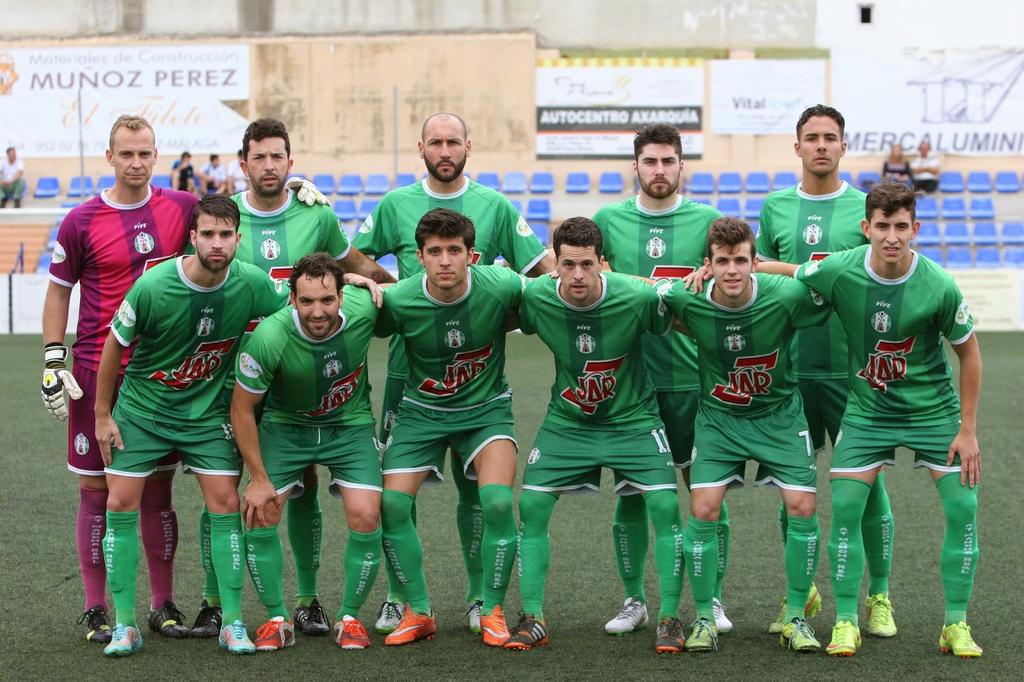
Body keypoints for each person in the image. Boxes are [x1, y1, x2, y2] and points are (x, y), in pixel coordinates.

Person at [189, 116, 394, 641]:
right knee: (225, 490)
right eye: (259, 157)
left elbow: (351, 264)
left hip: (303, 383)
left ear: (291, 162)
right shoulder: (225, 217)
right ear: (244, 163)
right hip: (231, 375)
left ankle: (305, 601)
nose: (269, 166)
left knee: (302, 485)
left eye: (277, 156)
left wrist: (384, 286)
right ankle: (215, 599)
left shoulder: (315, 213)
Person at [352, 112, 553, 635]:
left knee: (480, 494)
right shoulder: (395, 204)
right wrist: (367, 281)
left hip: (480, 388)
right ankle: (401, 597)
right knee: (395, 495)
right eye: (435, 142)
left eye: (453, 141)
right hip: (409, 375)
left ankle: (477, 597)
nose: (445, 150)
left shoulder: (495, 206)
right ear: (421, 147)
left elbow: (542, 276)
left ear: (469, 145)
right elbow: (354, 258)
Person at [93, 194, 289, 657]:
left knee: (224, 503)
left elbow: (303, 307)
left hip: (208, 414)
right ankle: (124, 625)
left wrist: (359, 282)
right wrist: (103, 416)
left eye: (226, 235)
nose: (217, 243)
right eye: (208, 234)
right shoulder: (154, 285)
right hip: (143, 411)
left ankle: (233, 623)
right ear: (193, 238)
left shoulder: (255, 284)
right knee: (120, 502)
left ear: (238, 239)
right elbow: (113, 346)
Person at [794, 182, 983, 658]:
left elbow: (970, 355)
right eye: (883, 227)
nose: (892, 237)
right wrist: (736, 272)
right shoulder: (841, 269)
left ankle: (955, 624)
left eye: (901, 227)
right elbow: (790, 274)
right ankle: (844, 621)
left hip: (933, 413)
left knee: (964, 510)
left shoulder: (939, 284)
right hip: (867, 413)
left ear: (914, 229)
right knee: (846, 512)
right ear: (867, 229)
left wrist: (968, 430)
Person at [42, 114, 197, 644]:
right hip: (93, 373)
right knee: (95, 491)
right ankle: (94, 608)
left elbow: (235, 221)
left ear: (157, 156)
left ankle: (162, 604)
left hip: (161, 375)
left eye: (145, 153)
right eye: (127, 153)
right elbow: (60, 291)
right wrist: (51, 358)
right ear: (109, 157)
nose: (136, 162)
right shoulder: (80, 220)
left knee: (157, 492)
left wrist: (291, 188)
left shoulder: (182, 208)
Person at [505, 217, 685, 654]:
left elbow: (692, 315)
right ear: (555, 266)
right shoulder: (535, 299)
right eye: (568, 265)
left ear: (603, 263)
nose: (578, 275)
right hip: (569, 422)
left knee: (664, 505)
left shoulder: (637, 297)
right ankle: (532, 616)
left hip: (634, 420)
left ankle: (670, 618)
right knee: (530, 504)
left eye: (587, 264)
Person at [756, 104, 896, 638]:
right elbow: (761, 281)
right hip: (786, 370)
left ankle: (878, 596)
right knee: (787, 481)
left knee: (868, 485)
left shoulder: (867, 209)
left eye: (829, 138)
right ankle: (803, 591)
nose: (820, 145)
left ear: (843, 146)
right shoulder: (774, 208)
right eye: (810, 137)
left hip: (853, 372)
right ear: (797, 147)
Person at [662, 217, 829, 654]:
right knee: (702, 509)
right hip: (718, 420)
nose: (732, 270)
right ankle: (703, 618)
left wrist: (781, 269)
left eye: (741, 260)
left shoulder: (787, 296)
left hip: (779, 416)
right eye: (722, 261)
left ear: (755, 262)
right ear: (707, 264)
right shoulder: (688, 296)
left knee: (802, 504)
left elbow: (832, 288)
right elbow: (643, 291)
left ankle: (796, 617)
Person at [592, 123, 732, 635]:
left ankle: (711, 598)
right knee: (631, 494)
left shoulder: (709, 222)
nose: (658, 170)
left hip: (697, 381)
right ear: (635, 166)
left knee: (706, 494)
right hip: (631, 385)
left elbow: (733, 283)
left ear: (680, 165)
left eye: (667, 161)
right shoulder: (607, 220)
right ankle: (634, 599)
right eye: (649, 161)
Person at [375, 208, 524, 647]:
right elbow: (344, 316)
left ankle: (491, 608)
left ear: (472, 255)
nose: (445, 260)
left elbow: (552, 291)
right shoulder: (399, 299)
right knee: (392, 506)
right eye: (434, 251)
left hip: (485, 411)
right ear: (418, 256)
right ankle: (419, 610)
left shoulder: (502, 286)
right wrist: (358, 284)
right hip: (422, 413)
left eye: (454, 250)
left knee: (496, 501)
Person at [232, 254, 385, 652]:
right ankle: (276, 620)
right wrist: (259, 479)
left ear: (341, 296)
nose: (318, 311)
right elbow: (242, 409)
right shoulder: (269, 336)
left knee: (368, 515)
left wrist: (363, 279)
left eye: (327, 300)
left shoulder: (364, 306)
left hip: (347, 426)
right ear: (292, 299)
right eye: (307, 302)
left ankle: (350, 618)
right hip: (286, 427)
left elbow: (417, 292)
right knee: (260, 511)